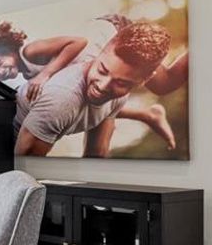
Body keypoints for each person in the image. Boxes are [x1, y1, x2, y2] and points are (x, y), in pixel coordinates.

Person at [13, 21, 175, 157]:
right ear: (100, 52)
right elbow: (24, 172)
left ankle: (148, 115)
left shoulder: (118, 97)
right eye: (102, 70)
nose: (102, 86)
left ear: (144, 80)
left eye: (121, 83)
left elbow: (97, 155)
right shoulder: (62, 98)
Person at [0, 17, 188, 103]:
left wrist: (46, 74)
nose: (1, 72)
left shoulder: (30, 51)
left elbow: (78, 42)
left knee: (164, 83)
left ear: (5, 48)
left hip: (112, 32)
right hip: (101, 55)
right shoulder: (26, 73)